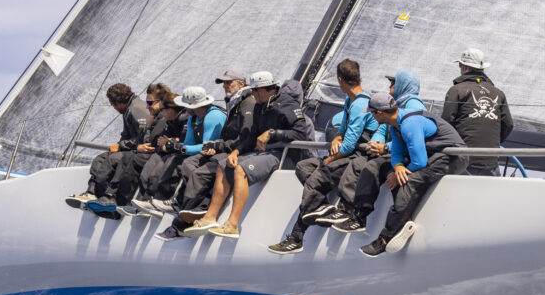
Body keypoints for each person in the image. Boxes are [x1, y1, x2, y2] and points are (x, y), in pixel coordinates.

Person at [182, 71, 311, 240]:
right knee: (223, 165)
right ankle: (209, 218)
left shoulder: (288, 105)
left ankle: (232, 224)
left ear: (266, 89)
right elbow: (252, 136)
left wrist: (272, 133)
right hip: (264, 153)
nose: (253, 94)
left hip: (285, 155)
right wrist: (235, 151)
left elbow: (301, 133)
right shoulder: (259, 106)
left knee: (240, 169)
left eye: (255, 90)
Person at [268, 58, 378, 254]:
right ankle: (324, 206)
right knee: (303, 167)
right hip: (348, 154)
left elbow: (350, 146)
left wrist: (326, 161)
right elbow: (344, 131)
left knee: (316, 178)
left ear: (340, 80)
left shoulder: (361, 103)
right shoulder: (349, 100)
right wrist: (336, 138)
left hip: (359, 157)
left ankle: (296, 238)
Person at [359, 91, 465, 257]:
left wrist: (398, 174)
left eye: (372, 113)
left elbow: (420, 163)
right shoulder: (395, 124)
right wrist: (398, 167)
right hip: (437, 155)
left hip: (454, 156)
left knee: (410, 180)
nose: (372, 116)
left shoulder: (409, 124)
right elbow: (396, 154)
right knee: (395, 173)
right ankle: (403, 220)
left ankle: (385, 238)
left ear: (379, 113)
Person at [155, 70, 256, 241]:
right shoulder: (232, 103)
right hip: (226, 148)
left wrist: (218, 146)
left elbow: (245, 136)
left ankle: (188, 217)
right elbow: (195, 143)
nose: (225, 86)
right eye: (223, 83)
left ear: (242, 83)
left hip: (236, 151)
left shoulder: (242, 105)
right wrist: (178, 147)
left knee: (198, 172)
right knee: (187, 164)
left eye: (229, 82)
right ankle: (182, 204)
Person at [332, 70, 425, 236]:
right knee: (358, 164)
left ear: (403, 85)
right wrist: (376, 142)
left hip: (407, 156)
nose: (390, 87)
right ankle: (347, 209)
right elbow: (383, 127)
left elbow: (413, 138)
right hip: (393, 152)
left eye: (393, 83)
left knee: (373, 167)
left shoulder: (414, 105)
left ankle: (365, 218)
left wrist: (386, 148)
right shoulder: (396, 103)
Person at [132, 86, 225, 216]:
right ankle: (161, 200)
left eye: (185, 105)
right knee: (176, 158)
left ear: (194, 105)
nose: (183, 109)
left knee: (186, 163)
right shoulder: (194, 117)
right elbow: (188, 144)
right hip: (205, 152)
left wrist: (179, 147)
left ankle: (194, 203)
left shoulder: (213, 116)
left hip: (218, 153)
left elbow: (206, 147)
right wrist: (174, 145)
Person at [64, 83, 151, 213]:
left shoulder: (137, 109)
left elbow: (145, 138)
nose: (114, 107)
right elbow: (126, 134)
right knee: (100, 158)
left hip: (141, 151)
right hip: (132, 148)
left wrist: (121, 146)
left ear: (119, 101)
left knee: (113, 159)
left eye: (113, 104)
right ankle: (91, 192)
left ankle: (108, 196)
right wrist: (118, 145)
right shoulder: (128, 109)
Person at [441, 48, 513, 175]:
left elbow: (446, 124)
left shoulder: (456, 90)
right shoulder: (499, 93)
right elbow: (508, 125)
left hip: (462, 160)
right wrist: (492, 144)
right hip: (491, 162)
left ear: (464, 67)